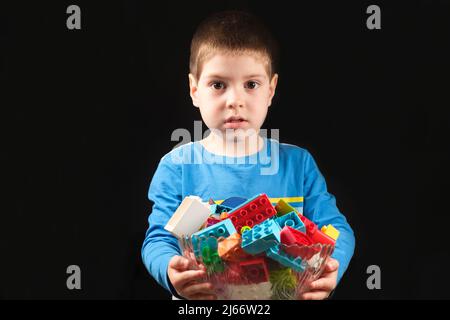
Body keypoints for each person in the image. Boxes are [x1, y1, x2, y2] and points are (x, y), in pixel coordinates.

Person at [142, 10, 355, 300]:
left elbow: (336, 229)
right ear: (194, 90)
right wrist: (170, 269)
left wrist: (331, 268)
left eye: (251, 85)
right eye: (218, 85)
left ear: (271, 90)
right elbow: (159, 240)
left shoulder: (298, 164)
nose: (235, 101)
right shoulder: (177, 167)